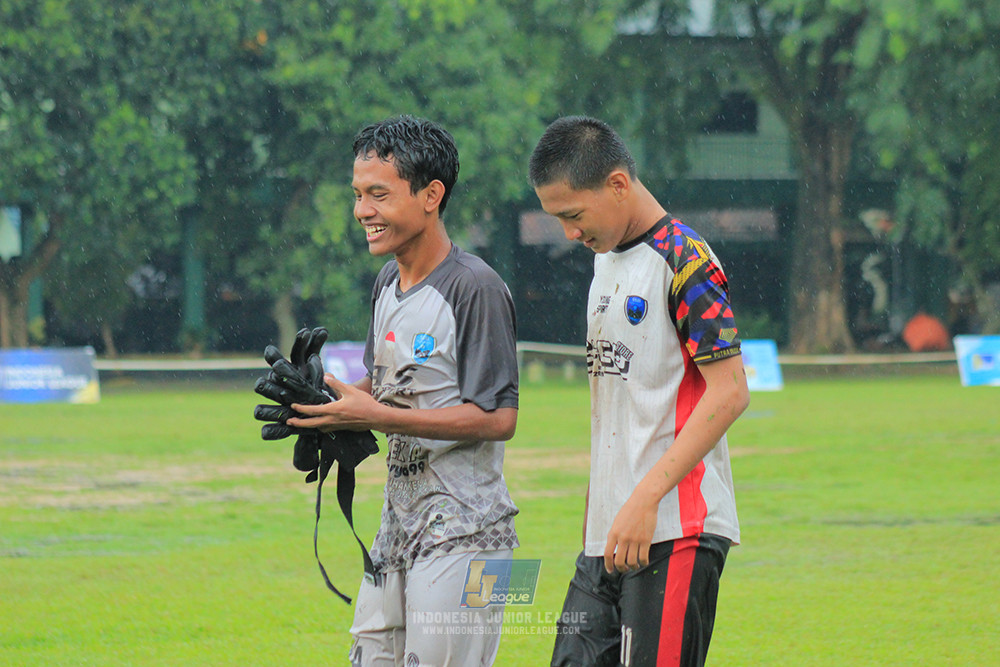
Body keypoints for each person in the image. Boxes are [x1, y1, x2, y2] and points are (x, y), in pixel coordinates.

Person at [289, 115, 520, 666]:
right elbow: (385, 390)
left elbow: (498, 418)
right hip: (398, 526)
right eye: (358, 195)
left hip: (475, 536)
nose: (361, 211)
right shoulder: (387, 283)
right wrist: (325, 405)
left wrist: (377, 415)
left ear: (430, 196)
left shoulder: (477, 287)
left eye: (378, 195)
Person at [528, 116, 750, 667]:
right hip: (607, 536)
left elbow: (731, 391)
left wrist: (646, 497)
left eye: (573, 215)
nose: (569, 234)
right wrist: (599, 518)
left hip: (676, 528)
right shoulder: (604, 263)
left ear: (619, 184)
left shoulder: (687, 262)